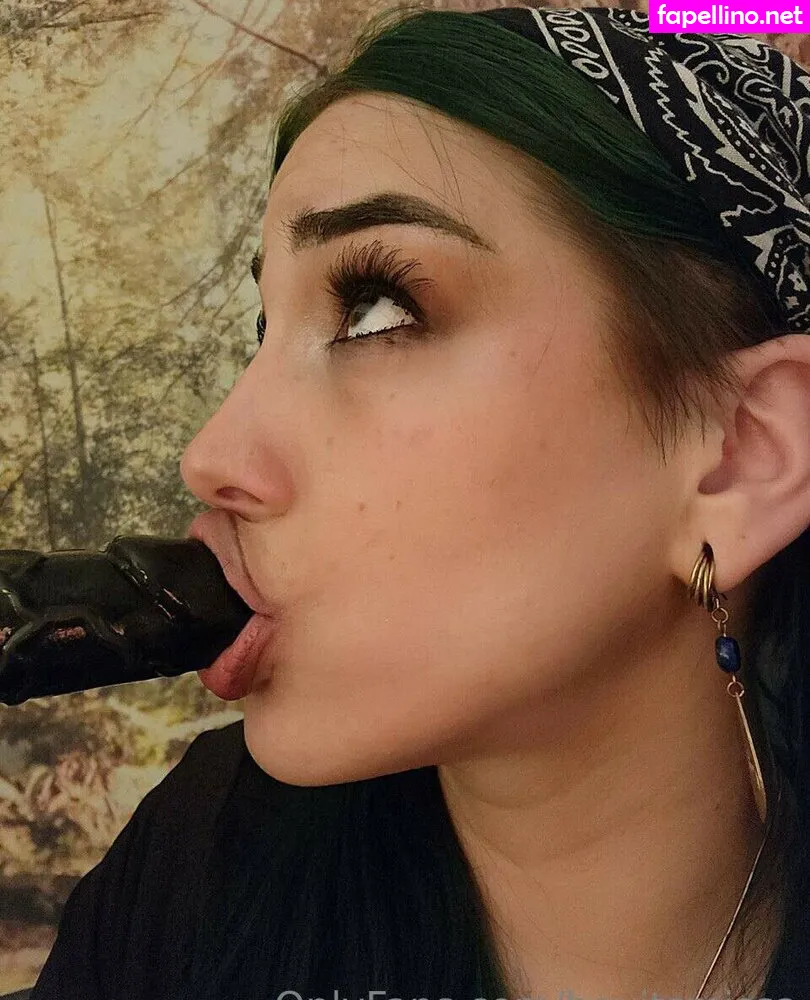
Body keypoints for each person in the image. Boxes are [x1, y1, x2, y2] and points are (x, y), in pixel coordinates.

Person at [28, 6, 810, 999]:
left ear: (742, 460)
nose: (211, 457)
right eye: (264, 329)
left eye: (375, 309)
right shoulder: (195, 867)